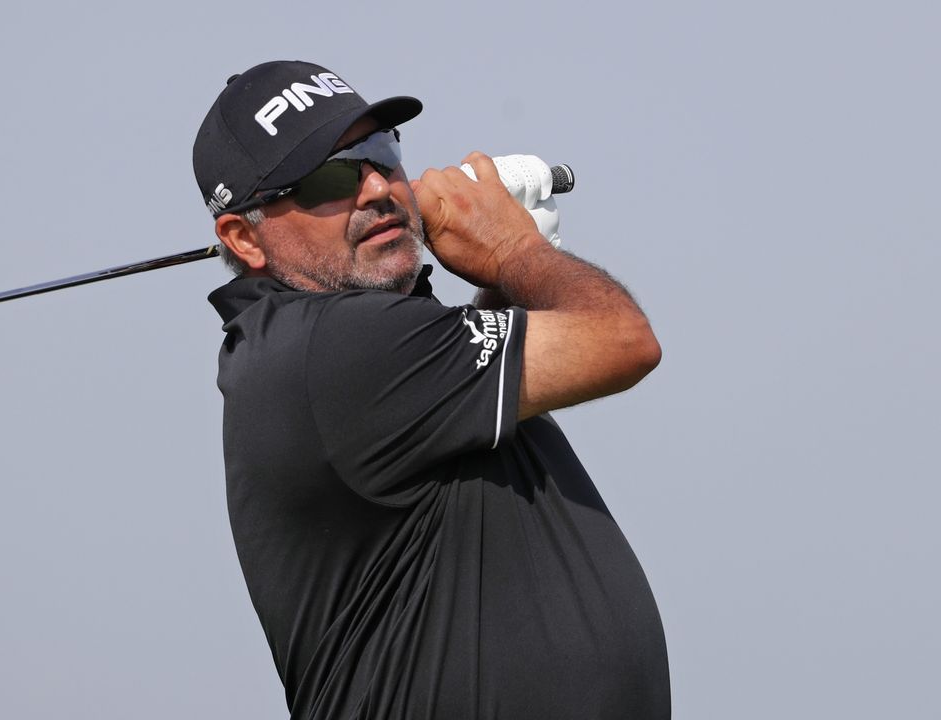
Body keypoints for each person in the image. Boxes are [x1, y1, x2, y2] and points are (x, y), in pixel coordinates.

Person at [193, 60, 670, 720]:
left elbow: (454, 399)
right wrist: (512, 250)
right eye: (329, 177)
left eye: (379, 154)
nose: (374, 190)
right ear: (244, 238)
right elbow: (622, 341)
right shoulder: (326, 350)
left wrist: (503, 283)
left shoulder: (358, 353)